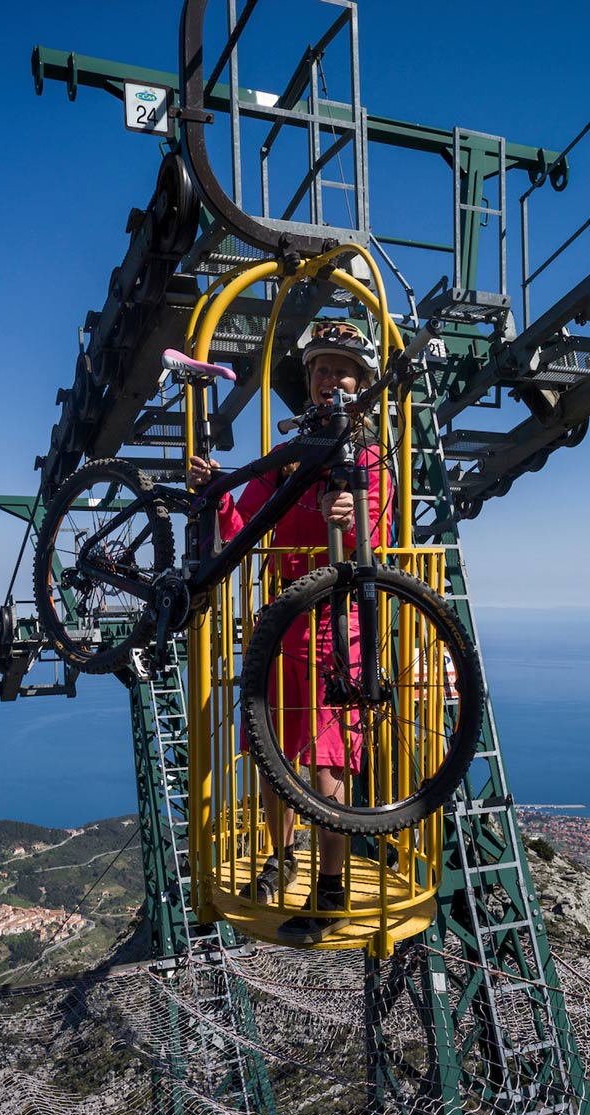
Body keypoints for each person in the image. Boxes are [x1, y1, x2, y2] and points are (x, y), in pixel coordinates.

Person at [186, 319, 392, 943]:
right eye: (321, 369)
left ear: (361, 384)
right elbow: (245, 516)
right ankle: (282, 856)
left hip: (337, 627)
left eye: (342, 370)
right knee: (273, 755)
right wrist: (216, 489)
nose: (331, 379)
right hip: (282, 625)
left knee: (328, 763)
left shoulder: (371, 459)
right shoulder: (292, 459)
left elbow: (374, 539)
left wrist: (351, 518)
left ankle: (328, 884)